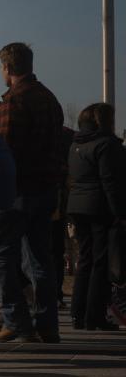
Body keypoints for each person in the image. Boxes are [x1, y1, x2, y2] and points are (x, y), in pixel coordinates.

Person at [0, 42, 65, 343]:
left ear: (7, 68)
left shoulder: (14, 101)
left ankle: (16, 320)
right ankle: (48, 325)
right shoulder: (49, 98)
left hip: (16, 191)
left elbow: (5, 153)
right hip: (46, 189)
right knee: (39, 258)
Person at [67, 103, 126, 330]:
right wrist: (119, 212)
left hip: (77, 206)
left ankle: (77, 314)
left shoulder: (75, 145)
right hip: (99, 207)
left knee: (85, 260)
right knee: (100, 263)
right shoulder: (107, 145)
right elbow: (110, 182)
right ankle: (95, 315)